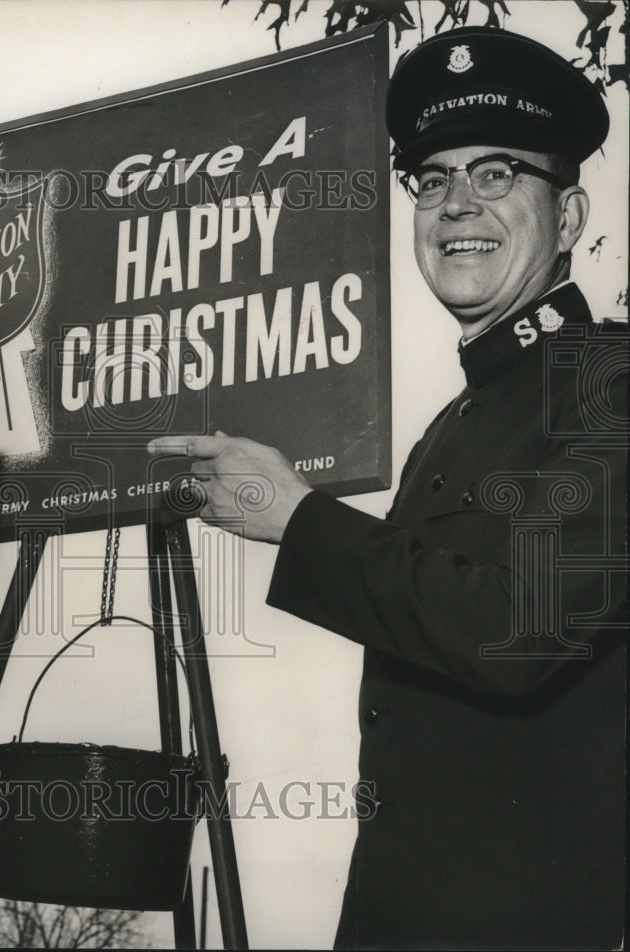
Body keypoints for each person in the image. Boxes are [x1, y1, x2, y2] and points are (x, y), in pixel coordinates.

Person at [150, 28, 626, 949]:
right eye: (433, 179)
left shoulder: (613, 382)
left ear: (566, 218)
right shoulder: (452, 423)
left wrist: (298, 520)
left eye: (495, 174)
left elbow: (515, 631)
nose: (456, 205)